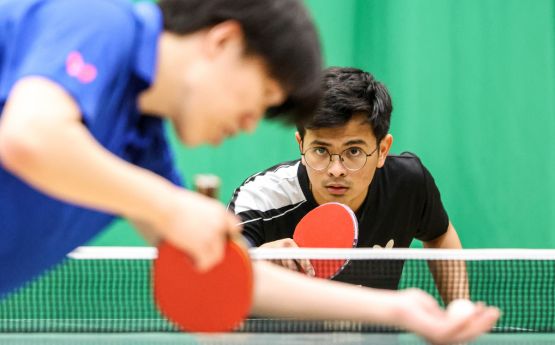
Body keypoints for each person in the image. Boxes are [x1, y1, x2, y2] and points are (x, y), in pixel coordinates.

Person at [0, 1, 498, 342]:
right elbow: (27, 138)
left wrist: (399, 309)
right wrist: (171, 205)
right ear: (223, 42)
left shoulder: (141, 149)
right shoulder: (98, 19)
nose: (245, 125)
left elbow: (236, 280)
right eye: (257, 99)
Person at [228, 67, 468, 303]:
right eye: (320, 150)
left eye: (353, 151)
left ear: (382, 150)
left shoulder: (407, 184)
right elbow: (224, 269)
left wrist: (461, 309)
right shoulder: (261, 199)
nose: (336, 170)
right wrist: (257, 260)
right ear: (301, 144)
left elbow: (439, 234)